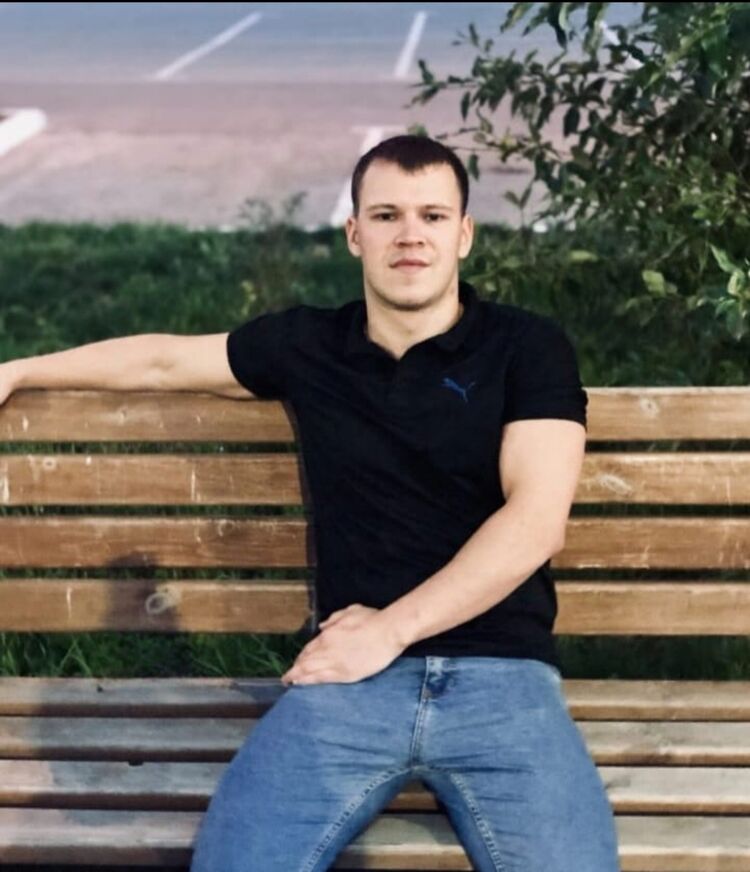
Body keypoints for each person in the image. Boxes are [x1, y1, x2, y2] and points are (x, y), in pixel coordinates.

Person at [0, 134, 620, 871]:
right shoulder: (310, 346)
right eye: (386, 215)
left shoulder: (525, 347)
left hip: (503, 677)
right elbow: (162, 360)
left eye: (431, 215)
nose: (410, 235)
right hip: (346, 684)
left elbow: (536, 522)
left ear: (464, 234)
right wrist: (19, 369)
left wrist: (388, 630)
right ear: (355, 233)